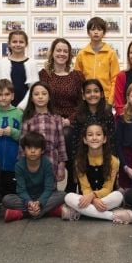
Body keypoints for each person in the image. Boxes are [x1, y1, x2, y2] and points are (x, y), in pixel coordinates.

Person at [39, 38, 85, 192]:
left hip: (73, 120)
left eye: (65, 51)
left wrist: (69, 120)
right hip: (50, 119)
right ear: (52, 53)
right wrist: (57, 119)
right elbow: (42, 100)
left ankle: (72, 184)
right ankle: (49, 185)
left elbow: (81, 103)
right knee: (59, 133)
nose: (62, 53)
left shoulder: (77, 76)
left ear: (69, 54)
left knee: (69, 133)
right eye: (59, 50)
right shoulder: (44, 75)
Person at [63, 123, 132, 223]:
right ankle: (112, 216)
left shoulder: (113, 161)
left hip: (106, 198)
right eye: (90, 135)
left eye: (98, 134)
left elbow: (108, 188)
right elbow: (85, 188)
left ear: (104, 139)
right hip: (87, 199)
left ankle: (82, 212)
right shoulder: (79, 161)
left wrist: (93, 196)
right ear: (85, 140)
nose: (94, 138)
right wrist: (93, 200)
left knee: (118, 196)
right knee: (68, 197)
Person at [2, 132, 66, 222]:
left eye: (36, 148)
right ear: (24, 150)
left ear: (42, 150)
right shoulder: (19, 165)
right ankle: (48, 211)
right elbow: (21, 190)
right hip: (26, 198)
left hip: (44, 196)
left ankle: (23, 213)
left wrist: (39, 202)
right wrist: (29, 202)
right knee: (6, 199)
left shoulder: (47, 163)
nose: (32, 151)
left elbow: (48, 189)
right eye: (29, 148)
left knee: (62, 195)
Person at [19, 82, 67, 182]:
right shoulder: (27, 119)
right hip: (31, 162)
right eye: (36, 94)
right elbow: (22, 145)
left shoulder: (56, 119)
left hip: (51, 161)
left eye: (44, 94)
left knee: (50, 193)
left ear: (49, 97)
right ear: (31, 98)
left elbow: (61, 145)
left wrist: (61, 166)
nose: (40, 97)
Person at [0, 79, 22, 197]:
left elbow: (24, 136)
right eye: (0, 94)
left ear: (12, 96)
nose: (3, 98)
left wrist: (13, 132)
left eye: (7, 94)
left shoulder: (19, 113)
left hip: (14, 161)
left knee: (12, 191)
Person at [74, 16, 120, 104]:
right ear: (88, 32)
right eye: (93, 29)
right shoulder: (81, 54)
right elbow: (77, 79)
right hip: (86, 99)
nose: (96, 32)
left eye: (99, 29)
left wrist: (110, 102)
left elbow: (115, 80)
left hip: (105, 99)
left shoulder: (111, 54)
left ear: (104, 33)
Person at [0, 30, 39, 110]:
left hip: (27, 107)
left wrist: (22, 107)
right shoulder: (1, 63)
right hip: (4, 106)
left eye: (21, 42)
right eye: (14, 42)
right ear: (9, 44)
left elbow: (34, 88)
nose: (18, 44)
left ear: (26, 44)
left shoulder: (32, 63)